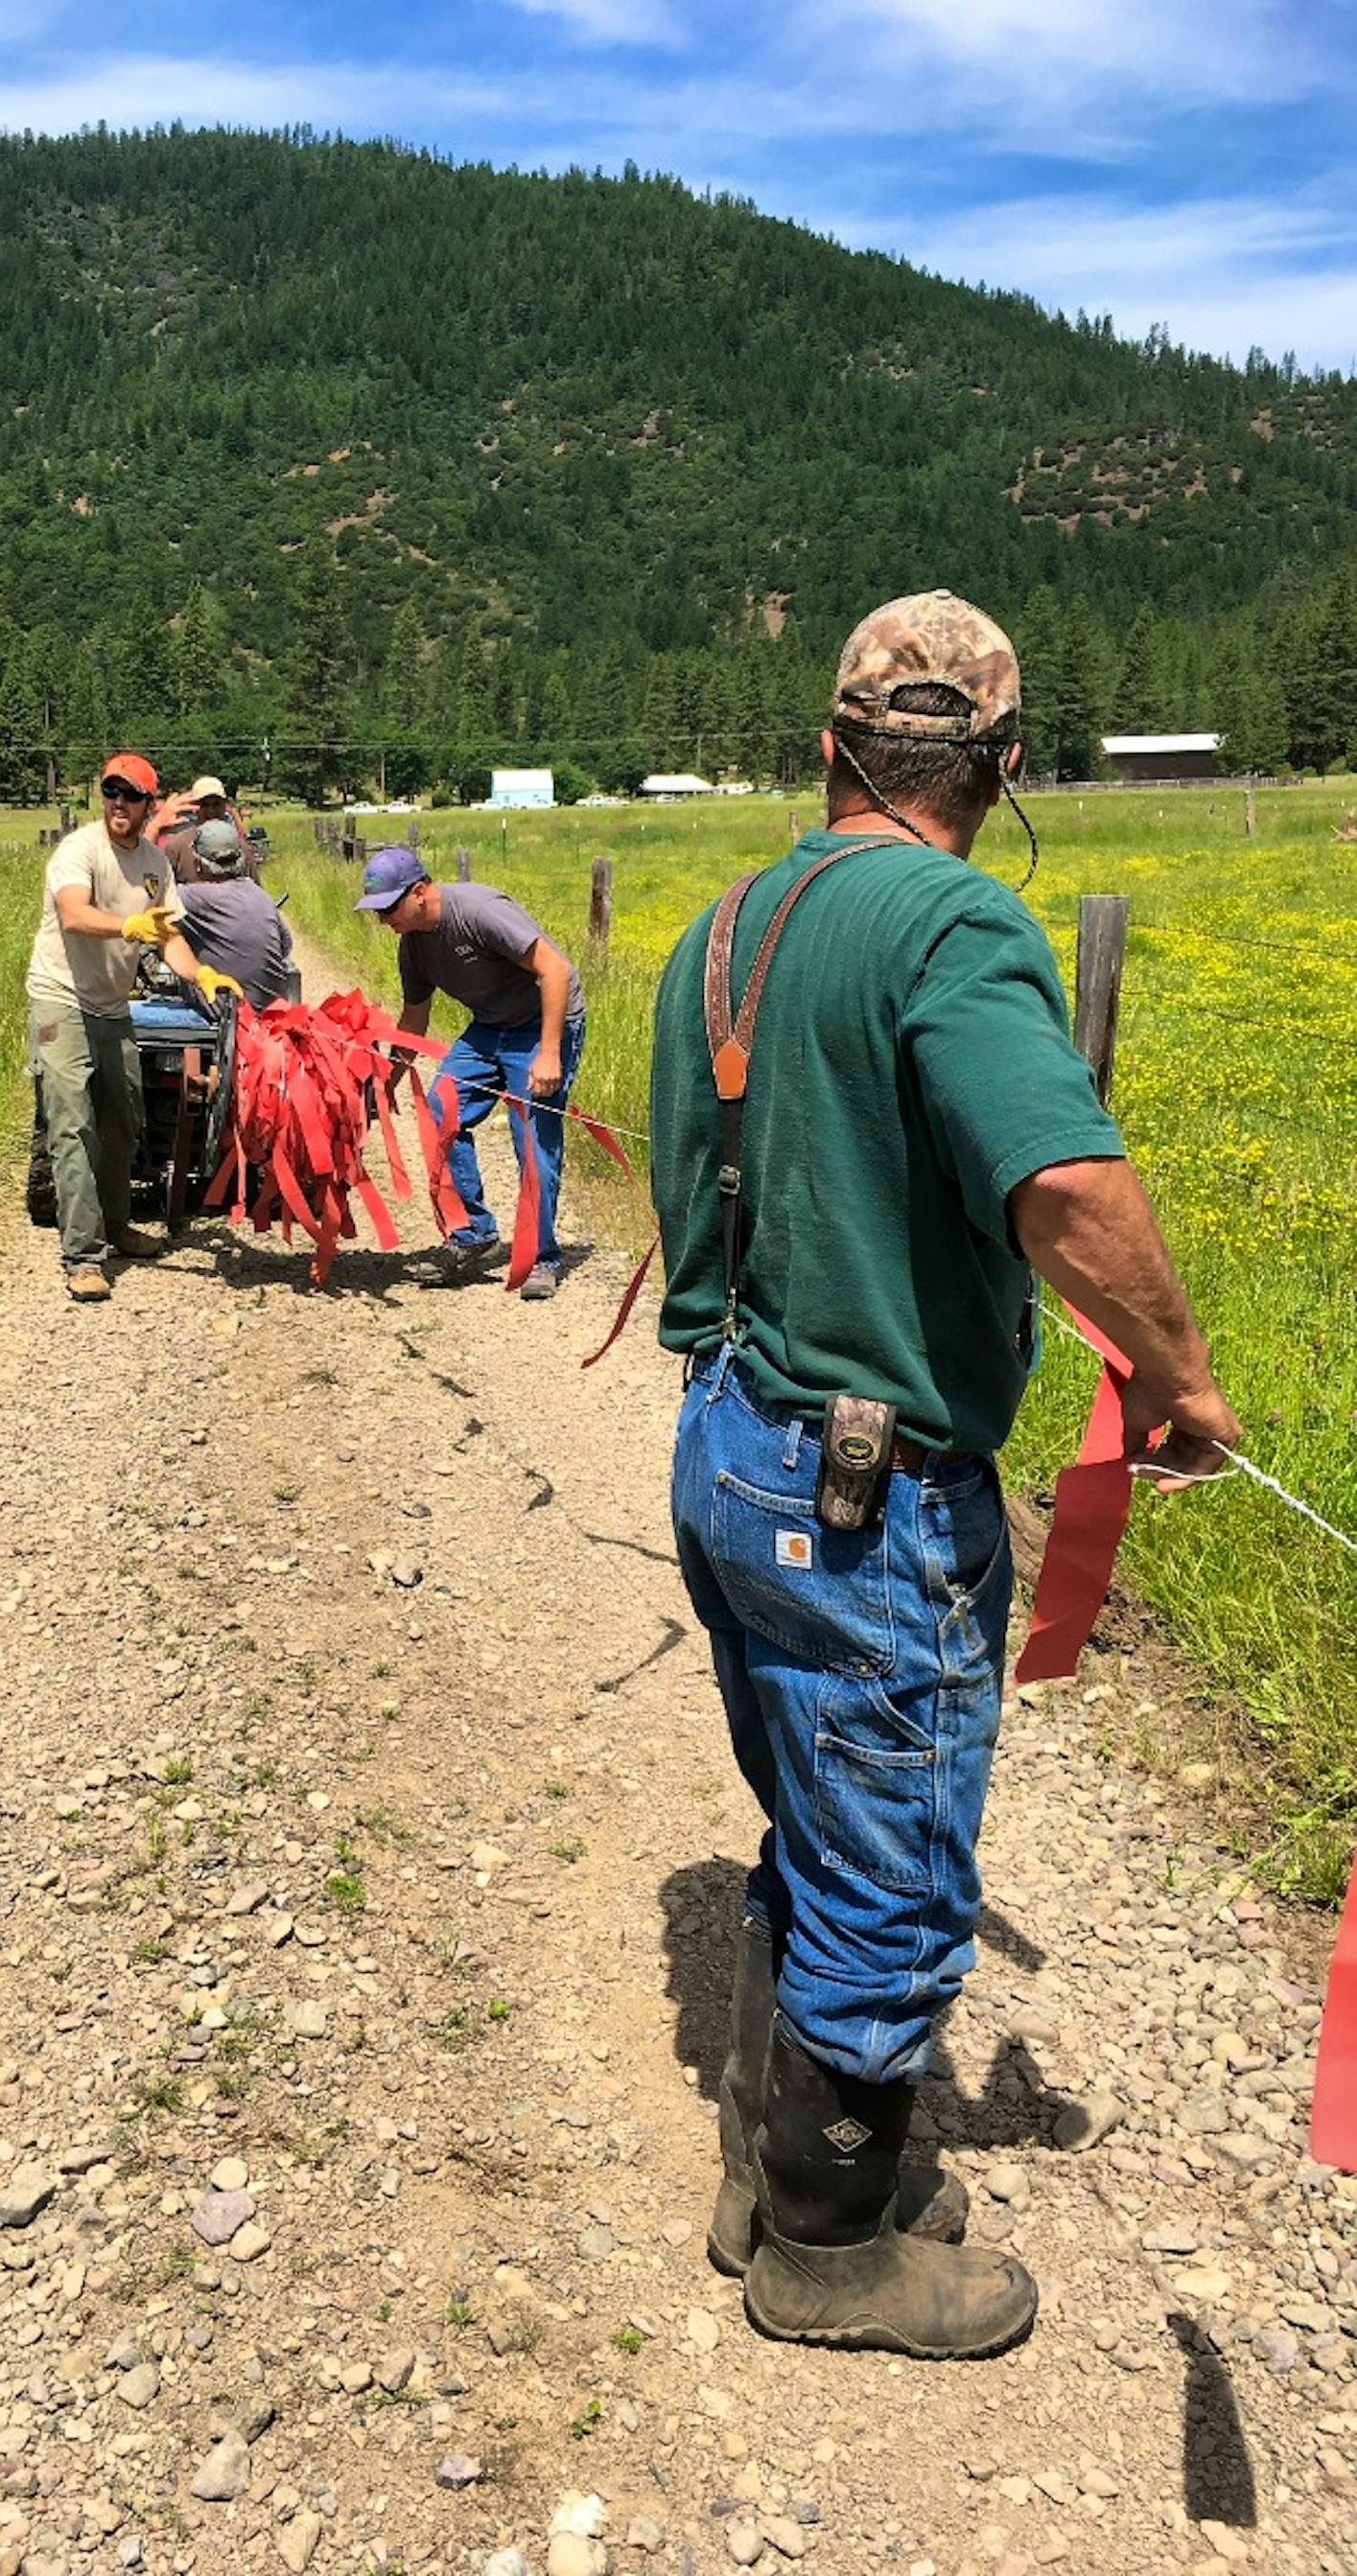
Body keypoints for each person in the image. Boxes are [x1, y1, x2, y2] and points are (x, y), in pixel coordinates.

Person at [650, 591, 1239, 2360]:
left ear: (830, 749)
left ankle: (785, 2161)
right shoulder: (962, 921)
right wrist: (1180, 1377)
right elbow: (1064, 1185)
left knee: (823, 1820)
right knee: (900, 1871)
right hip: (864, 1484)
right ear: (1002, 764)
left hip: (728, 1438)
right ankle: (829, 2253)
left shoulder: (723, 922)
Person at [26, 754, 237, 1304]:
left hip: (112, 1006)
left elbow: (168, 936)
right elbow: (74, 914)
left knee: (123, 1121)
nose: (118, 803)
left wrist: (204, 975)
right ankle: (83, 1256)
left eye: (130, 795)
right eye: (110, 792)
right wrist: (126, 924)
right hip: (61, 1000)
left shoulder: (154, 864)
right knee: (73, 1126)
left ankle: (116, 1225)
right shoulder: (80, 850)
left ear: (150, 804)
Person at [356, 847, 584, 1301]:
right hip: (489, 1028)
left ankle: (543, 1258)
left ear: (419, 892)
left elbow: (556, 969)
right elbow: (414, 1021)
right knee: (440, 1111)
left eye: (388, 908)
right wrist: (384, 1088)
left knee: (532, 1142)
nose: (383, 921)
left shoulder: (479, 912)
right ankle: (472, 1235)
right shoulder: (414, 946)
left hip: (543, 1025)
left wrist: (550, 1052)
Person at [175, 818, 294, 1009]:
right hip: (270, 1013)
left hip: (227, 1015)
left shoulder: (191, 897)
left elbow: (149, 903)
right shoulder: (260, 895)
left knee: (135, 1016)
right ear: (241, 859)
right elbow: (285, 946)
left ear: (197, 863)